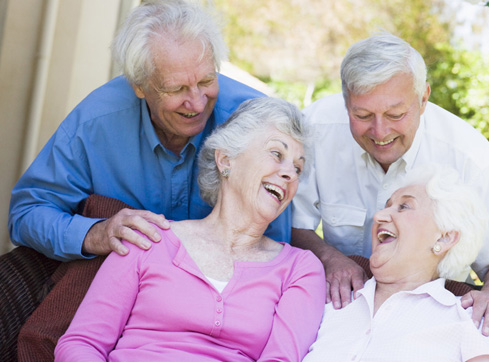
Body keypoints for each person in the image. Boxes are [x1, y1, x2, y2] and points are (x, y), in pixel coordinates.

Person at [291, 32, 489, 338]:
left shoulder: (469, 156)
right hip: (342, 306)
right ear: (345, 102)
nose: (380, 132)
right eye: (362, 115)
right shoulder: (315, 129)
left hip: (428, 317)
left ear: (423, 99)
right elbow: (289, 222)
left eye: (396, 114)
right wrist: (328, 257)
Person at [8, 0, 290, 262]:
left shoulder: (258, 124)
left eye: (206, 80)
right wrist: (96, 234)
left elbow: (275, 245)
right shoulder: (94, 123)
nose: (197, 101)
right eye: (176, 88)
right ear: (139, 86)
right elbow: (26, 214)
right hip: (116, 280)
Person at [54, 97, 326, 361]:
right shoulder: (149, 238)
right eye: (277, 154)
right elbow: (82, 343)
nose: (290, 173)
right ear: (226, 160)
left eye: (298, 168)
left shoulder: (299, 269)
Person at [302, 166, 489, 362]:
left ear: (444, 238)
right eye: (387, 206)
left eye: (404, 207)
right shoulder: (329, 298)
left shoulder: (470, 319)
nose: (379, 215)